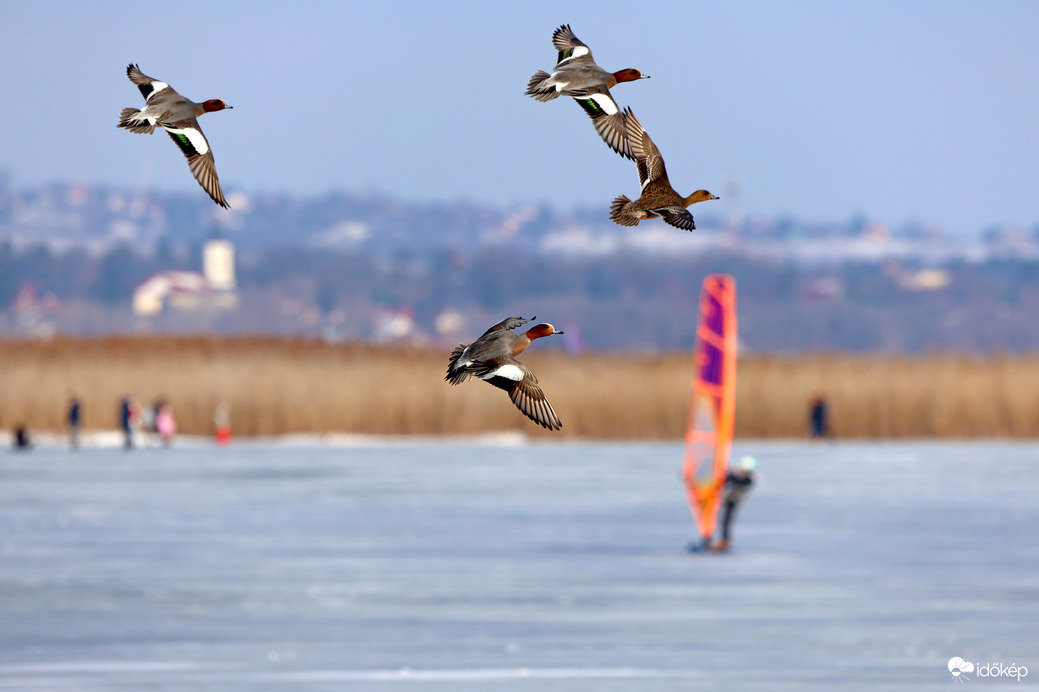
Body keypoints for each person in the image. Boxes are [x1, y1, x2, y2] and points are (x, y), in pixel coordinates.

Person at [713, 456, 756, 552]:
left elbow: (736, 481)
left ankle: (724, 541)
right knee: (718, 519)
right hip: (720, 499)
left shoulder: (747, 481)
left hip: (732, 501)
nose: (743, 473)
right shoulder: (734, 477)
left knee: (726, 520)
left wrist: (727, 475)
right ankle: (716, 539)